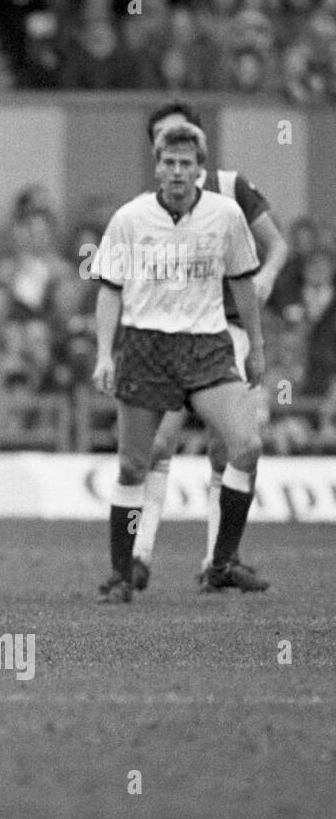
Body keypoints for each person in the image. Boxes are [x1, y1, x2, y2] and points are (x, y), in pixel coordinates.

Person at [92, 122, 264, 605]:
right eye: (169, 162)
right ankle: (122, 575)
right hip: (146, 349)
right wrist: (105, 353)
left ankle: (223, 562)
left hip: (207, 347)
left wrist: (258, 346)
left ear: (200, 170)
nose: (177, 172)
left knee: (246, 446)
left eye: (186, 164)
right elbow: (110, 288)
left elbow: (244, 283)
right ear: (157, 166)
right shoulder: (129, 219)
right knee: (132, 466)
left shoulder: (226, 216)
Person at [127, 102, 287, 592]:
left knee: (231, 449)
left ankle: (219, 562)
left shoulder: (231, 190)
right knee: (156, 444)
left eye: (183, 142)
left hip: (229, 332)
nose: (175, 154)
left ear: (199, 149)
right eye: (164, 144)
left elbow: (276, 245)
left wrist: (264, 278)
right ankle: (139, 557)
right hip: (173, 340)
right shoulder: (146, 211)